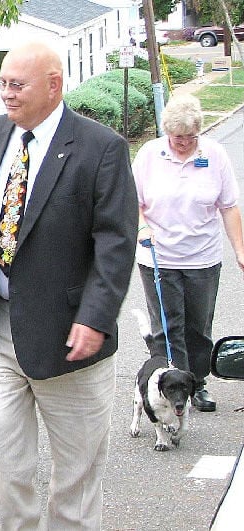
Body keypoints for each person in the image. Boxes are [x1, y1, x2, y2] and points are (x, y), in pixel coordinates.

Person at [0, 41, 137, 529]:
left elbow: (115, 243)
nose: (5, 94)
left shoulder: (100, 148)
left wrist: (95, 316)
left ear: (54, 85)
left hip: (69, 337)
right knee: (5, 462)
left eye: (17, 85)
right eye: (1, 83)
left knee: (77, 473)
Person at [134, 93, 244, 413]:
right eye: (177, 137)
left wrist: (239, 248)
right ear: (167, 132)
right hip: (159, 257)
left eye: (190, 137)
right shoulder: (150, 155)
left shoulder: (215, 155)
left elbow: (229, 206)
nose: (183, 143)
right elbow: (133, 200)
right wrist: (142, 227)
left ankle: (197, 383)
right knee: (168, 328)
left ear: (200, 131)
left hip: (203, 257)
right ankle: (167, 388)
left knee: (198, 326)